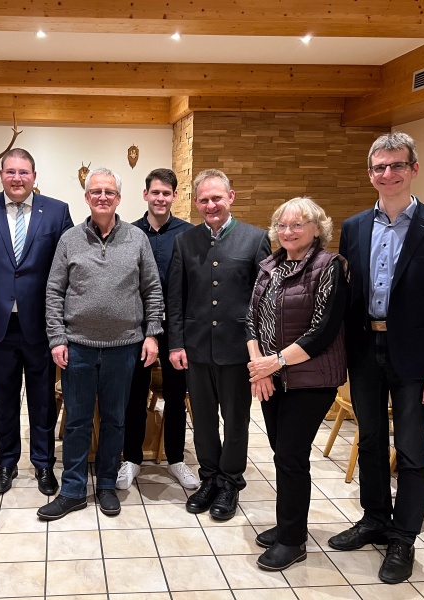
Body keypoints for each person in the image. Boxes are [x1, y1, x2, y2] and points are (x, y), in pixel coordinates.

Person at [328, 132, 424, 583]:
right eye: (379, 167)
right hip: (367, 349)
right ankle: (374, 519)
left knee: (409, 449)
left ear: (414, 169)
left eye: (397, 166)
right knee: (369, 440)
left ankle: (403, 537)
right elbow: (347, 299)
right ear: (370, 173)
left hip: (416, 357)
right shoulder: (353, 228)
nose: (388, 174)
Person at [40, 167, 163, 520]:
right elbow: (54, 292)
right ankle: (74, 489)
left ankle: (107, 484)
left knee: (115, 419)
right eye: (96, 192)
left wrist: (152, 333)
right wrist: (56, 338)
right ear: (87, 197)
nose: (103, 197)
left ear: (119, 198)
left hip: (124, 347)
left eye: (109, 191)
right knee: (77, 420)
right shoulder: (70, 240)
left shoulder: (137, 239)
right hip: (77, 346)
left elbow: (152, 289)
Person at [0, 148, 73, 496]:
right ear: (2, 176)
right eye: (10, 172)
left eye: (24, 172)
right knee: (4, 400)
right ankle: (6, 464)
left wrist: (63, 325)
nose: (17, 178)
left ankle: (43, 464)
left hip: (42, 325)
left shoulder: (56, 211)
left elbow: (69, 270)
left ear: (34, 176)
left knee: (42, 400)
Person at [246, 197, 348, 570]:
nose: (288, 232)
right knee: (282, 455)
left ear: (317, 228)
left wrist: (272, 364)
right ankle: (290, 523)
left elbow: (322, 331)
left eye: (298, 224)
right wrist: (260, 367)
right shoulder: (270, 265)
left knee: (291, 456)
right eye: (282, 225)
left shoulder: (328, 267)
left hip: (310, 381)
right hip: (273, 374)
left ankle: (293, 541)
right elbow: (251, 317)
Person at [168, 168, 271, 521]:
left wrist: (260, 350)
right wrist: (176, 344)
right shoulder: (185, 241)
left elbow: (264, 300)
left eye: (216, 198)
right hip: (196, 349)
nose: (210, 205)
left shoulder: (255, 240)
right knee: (205, 421)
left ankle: (230, 482)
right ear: (196, 203)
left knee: (236, 419)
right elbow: (176, 298)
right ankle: (208, 478)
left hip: (238, 349)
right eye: (203, 200)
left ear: (231, 197)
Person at [117, 168, 198, 491]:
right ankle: (132, 459)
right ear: (145, 195)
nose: (161, 198)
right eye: (156, 192)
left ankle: (176, 459)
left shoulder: (190, 235)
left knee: (177, 396)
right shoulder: (129, 233)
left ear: (175, 196)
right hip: (137, 330)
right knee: (134, 395)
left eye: (167, 193)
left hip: (177, 329)